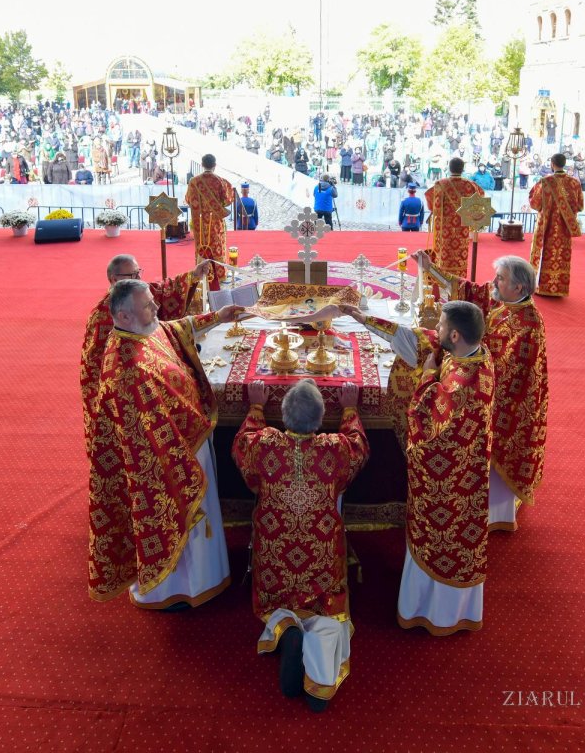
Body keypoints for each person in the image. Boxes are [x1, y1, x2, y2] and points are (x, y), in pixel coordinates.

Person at [333, 300, 495, 634]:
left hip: (447, 482)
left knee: (440, 538)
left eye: (440, 327)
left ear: (454, 334)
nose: (434, 332)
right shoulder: (478, 353)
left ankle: (431, 610)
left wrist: (426, 375)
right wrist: (362, 318)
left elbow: (426, 419)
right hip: (468, 473)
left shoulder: (461, 385)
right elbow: (414, 337)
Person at [87, 279, 245, 610]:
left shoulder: (143, 330)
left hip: (190, 441)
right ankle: (179, 590)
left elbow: (174, 329)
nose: (156, 308)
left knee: (203, 528)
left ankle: (207, 578)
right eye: (148, 306)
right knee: (186, 524)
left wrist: (218, 316)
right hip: (169, 466)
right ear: (124, 316)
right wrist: (183, 468)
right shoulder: (126, 372)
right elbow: (144, 444)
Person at [234, 379, 368, 712]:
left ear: (283, 415)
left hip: (274, 557)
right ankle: (319, 677)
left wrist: (254, 407)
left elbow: (241, 445)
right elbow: (360, 446)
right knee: (327, 612)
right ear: (321, 419)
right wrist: (350, 409)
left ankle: (284, 623)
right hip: (319, 559)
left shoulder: (264, 445)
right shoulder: (334, 449)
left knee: (277, 593)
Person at [417, 251, 549, 530]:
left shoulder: (530, 326)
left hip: (509, 404)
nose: (493, 283)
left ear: (519, 288)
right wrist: (432, 269)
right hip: (487, 386)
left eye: (500, 279)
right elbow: (473, 291)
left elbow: (510, 372)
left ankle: (496, 514)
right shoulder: (505, 303)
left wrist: (464, 366)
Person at [527, 153, 584, 297]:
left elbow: (535, 203)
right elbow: (580, 206)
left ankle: (541, 286)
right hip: (564, 227)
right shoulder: (574, 183)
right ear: (564, 163)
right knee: (560, 255)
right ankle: (559, 288)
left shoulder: (545, 181)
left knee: (544, 252)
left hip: (546, 225)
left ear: (552, 163)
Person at [425, 157, 484, 280]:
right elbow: (481, 198)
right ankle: (459, 281)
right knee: (459, 255)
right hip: (462, 229)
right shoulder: (470, 185)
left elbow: (433, 206)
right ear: (462, 169)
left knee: (444, 254)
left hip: (444, 230)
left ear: (449, 168)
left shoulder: (441, 184)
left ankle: (443, 278)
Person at [185, 153, 234, 289]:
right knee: (217, 245)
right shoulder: (220, 181)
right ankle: (220, 273)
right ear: (214, 165)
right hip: (215, 223)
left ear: (202, 164)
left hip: (199, 223)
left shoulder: (194, 182)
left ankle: (202, 272)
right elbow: (228, 200)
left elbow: (188, 200)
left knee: (202, 245)